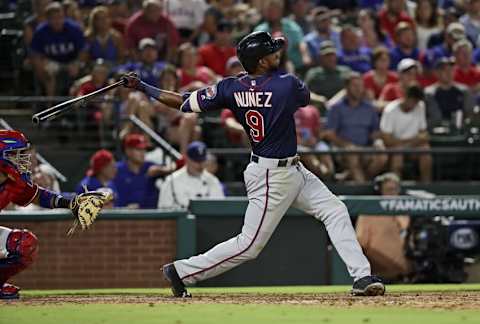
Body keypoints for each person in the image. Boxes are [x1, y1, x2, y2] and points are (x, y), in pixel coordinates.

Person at [123, 31, 385, 298]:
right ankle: (181, 272)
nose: (278, 53)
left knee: (335, 210)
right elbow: (304, 97)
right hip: (273, 176)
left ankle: (362, 276)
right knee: (248, 246)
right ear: (260, 61)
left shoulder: (230, 87)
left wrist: (144, 87)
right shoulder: (286, 84)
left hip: (289, 169)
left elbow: (183, 102)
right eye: (272, 52)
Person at [0, 130, 108, 299]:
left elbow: (38, 196)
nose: (23, 160)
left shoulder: (14, 182)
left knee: (25, 244)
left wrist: (70, 203)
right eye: (15, 154)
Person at [325, 72, 388, 183]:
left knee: (382, 156)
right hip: (342, 149)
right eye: (355, 86)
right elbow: (329, 134)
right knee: (353, 155)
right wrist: (346, 144)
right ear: (346, 88)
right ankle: (363, 191)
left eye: (361, 86)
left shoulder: (369, 108)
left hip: (365, 148)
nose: (359, 89)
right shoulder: (336, 108)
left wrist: (378, 141)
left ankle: (352, 177)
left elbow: (375, 132)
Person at [356, 172, 411, 281]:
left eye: (395, 190)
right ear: (380, 191)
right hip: (379, 273)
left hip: (406, 274)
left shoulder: (405, 212)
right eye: (389, 190)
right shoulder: (368, 213)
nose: (392, 194)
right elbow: (361, 243)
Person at [30, 2, 85, 96]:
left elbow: (84, 50)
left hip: (72, 61)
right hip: (51, 62)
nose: (57, 21)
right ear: (47, 19)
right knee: (48, 71)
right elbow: (36, 55)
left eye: (60, 17)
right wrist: (41, 73)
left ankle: (75, 106)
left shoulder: (74, 28)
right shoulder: (41, 31)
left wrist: (77, 63)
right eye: (53, 18)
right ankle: (50, 105)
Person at [380, 85, 433, 182]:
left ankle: (426, 186)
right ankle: (396, 188)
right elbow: (387, 140)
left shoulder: (420, 106)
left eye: (417, 101)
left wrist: (417, 140)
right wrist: (412, 140)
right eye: (413, 100)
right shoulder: (390, 110)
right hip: (395, 147)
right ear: (405, 97)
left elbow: (423, 133)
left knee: (425, 151)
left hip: (413, 146)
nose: (415, 104)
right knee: (398, 155)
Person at [158, 142, 224, 209]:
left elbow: (220, 208)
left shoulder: (212, 180)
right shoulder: (171, 181)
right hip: (180, 218)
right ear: (187, 159)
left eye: (202, 160)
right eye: (196, 161)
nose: (200, 165)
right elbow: (163, 209)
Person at [113, 133, 172, 209]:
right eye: (138, 149)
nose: (143, 153)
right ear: (128, 151)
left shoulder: (150, 166)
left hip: (150, 215)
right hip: (123, 215)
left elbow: (176, 166)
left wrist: (162, 170)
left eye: (144, 149)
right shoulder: (117, 169)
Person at [254, 0, 311, 73]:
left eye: (275, 10)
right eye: (270, 10)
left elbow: (301, 43)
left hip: (296, 65)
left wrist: (305, 56)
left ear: (280, 11)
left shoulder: (290, 26)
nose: (272, 13)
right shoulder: (260, 30)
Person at [425, 56, 475, 128]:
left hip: (459, 132)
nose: (448, 73)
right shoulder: (429, 93)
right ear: (437, 72)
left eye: (451, 69)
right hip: (436, 133)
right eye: (444, 70)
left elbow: (470, 114)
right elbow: (432, 118)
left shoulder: (464, 91)